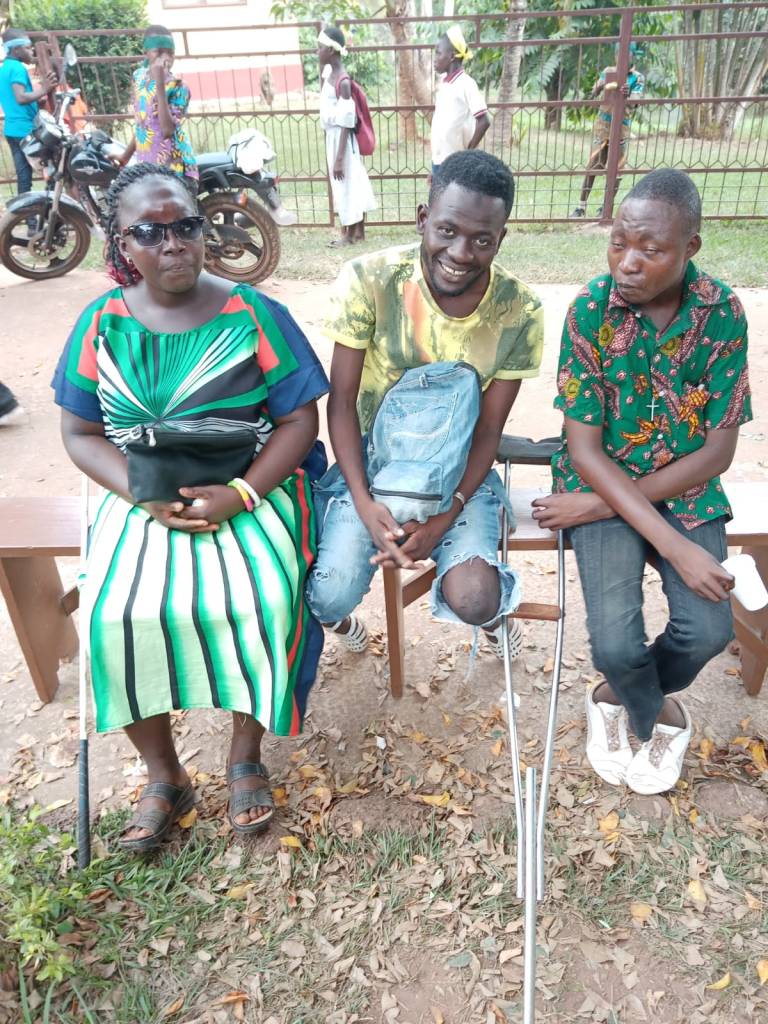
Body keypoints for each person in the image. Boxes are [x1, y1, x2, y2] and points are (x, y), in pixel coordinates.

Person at [52, 163, 329, 851]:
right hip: (141, 492)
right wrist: (142, 495)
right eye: (149, 232)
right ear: (122, 243)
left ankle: (244, 754)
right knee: (114, 613)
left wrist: (242, 493)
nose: (172, 243)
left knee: (263, 596)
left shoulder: (254, 313)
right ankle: (164, 773)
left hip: (250, 484)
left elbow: (300, 421)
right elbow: (79, 434)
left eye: (185, 225)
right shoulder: (101, 324)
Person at [533, 169, 752, 795]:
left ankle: (614, 698)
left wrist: (595, 509)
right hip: (600, 474)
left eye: (650, 250)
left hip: (672, 487)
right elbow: (584, 448)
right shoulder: (590, 310)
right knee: (614, 644)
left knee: (709, 632)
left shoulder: (722, 314)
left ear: (690, 248)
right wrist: (674, 545)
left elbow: (717, 453)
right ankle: (658, 714)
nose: (627, 263)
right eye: (618, 243)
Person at [306, 150, 543, 662]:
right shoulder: (370, 280)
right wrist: (365, 504)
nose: (461, 252)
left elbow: (488, 431)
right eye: (447, 230)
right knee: (326, 596)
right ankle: (342, 623)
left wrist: (445, 514)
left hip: (457, 473)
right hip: (372, 466)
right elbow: (341, 403)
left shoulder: (519, 310)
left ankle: (493, 620)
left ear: (501, 238)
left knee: (476, 598)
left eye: (482, 240)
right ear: (422, 218)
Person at [116, 25, 198, 190]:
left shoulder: (179, 87)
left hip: (175, 167)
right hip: (147, 165)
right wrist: (125, 157)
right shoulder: (139, 77)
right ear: (146, 52)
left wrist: (160, 86)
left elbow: (167, 130)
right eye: (158, 52)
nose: (165, 58)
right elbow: (143, 125)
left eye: (170, 53)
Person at [317, 25, 376, 246]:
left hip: (342, 141)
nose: (317, 51)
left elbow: (346, 121)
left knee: (347, 184)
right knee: (351, 182)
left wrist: (340, 158)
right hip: (333, 137)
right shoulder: (329, 74)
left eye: (320, 47)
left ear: (331, 51)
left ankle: (349, 236)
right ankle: (358, 232)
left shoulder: (342, 82)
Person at [570, 42, 645, 219]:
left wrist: (628, 94)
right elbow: (594, 91)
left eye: (626, 54)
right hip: (603, 126)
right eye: (619, 54)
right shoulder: (608, 71)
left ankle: (606, 208)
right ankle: (581, 207)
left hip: (621, 128)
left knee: (616, 170)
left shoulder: (637, 78)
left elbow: (636, 101)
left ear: (632, 56)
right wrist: (602, 84)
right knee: (593, 164)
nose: (621, 58)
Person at [0, 30, 57, 201]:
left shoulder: (4, 68)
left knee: (24, 178)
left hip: (12, 130)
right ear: (16, 50)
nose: (31, 51)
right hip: (26, 130)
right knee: (52, 170)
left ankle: (26, 215)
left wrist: (38, 100)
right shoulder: (17, 68)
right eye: (27, 47)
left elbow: (14, 99)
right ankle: (53, 209)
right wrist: (44, 89)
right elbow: (21, 98)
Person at [431, 27, 490, 175]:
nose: (435, 58)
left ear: (452, 56)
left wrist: (467, 154)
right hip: (440, 161)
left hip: (457, 164)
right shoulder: (445, 84)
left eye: (438, 53)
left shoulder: (466, 84)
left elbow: (484, 121)